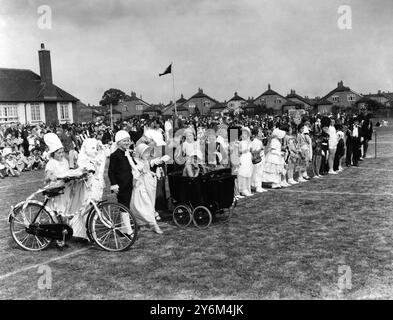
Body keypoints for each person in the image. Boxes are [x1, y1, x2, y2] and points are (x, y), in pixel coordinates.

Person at [125, 143, 164, 234]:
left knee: (148, 203)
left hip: (147, 183)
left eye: (148, 152)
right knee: (141, 205)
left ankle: (143, 224)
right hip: (139, 185)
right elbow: (136, 172)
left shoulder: (145, 161)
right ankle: (153, 224)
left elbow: (147, 170)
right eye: (145, 152)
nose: (147, 154)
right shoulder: (135, 161)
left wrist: (151, 173)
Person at [108, 130, 134, 209]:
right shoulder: (115, 155)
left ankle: (129, 219)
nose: (127, 143)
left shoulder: (127, 153)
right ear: (118, 142)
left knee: (129, 204)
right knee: (124, 206)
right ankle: (125, 221)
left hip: (129, 183)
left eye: (128, 140)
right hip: (121, 185)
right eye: (124, 141)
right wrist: (114, 184)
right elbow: (111, 171)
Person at [238, 127, 254, 196]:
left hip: (248, 158)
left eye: (245, 134)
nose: (244, 135)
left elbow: (251, 150)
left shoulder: (249, 142)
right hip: (243, 157)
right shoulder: (240, 142)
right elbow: (238, 152)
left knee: (248, 172)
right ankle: (243, 189)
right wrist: (243, 151)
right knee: (243, 172)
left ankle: (247, 188)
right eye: (243, 134)